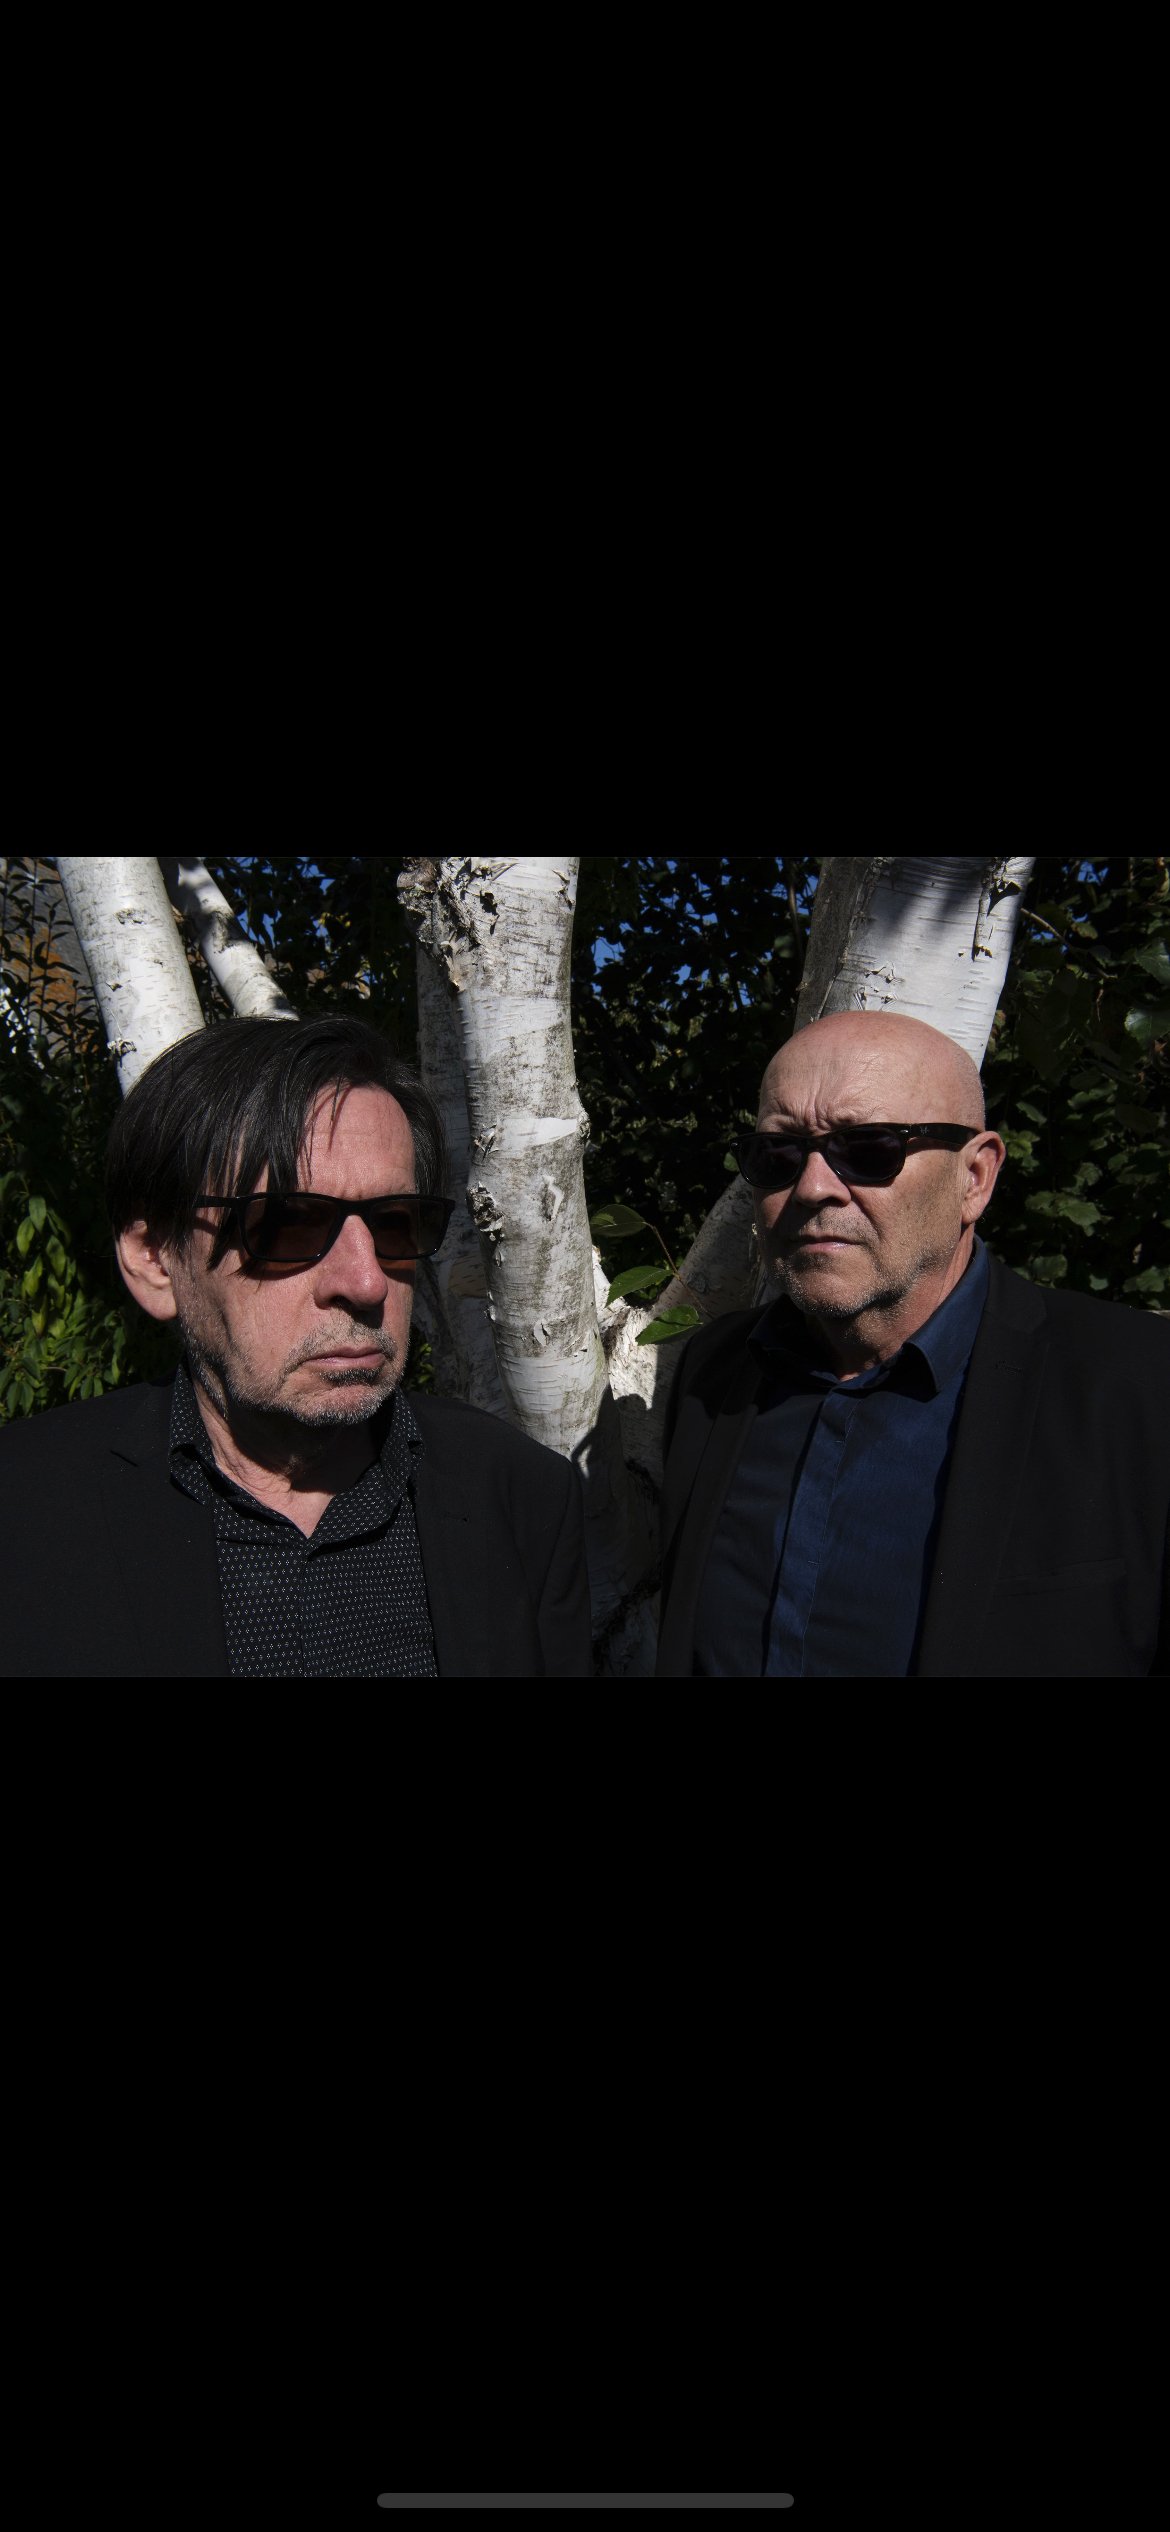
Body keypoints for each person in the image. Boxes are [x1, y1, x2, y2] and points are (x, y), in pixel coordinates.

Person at [0, 1015, 591, 1679]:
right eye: (288, 1225)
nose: (366, 1283)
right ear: (155, 1261)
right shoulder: (24, 1511)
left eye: (396, 1223)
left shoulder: (521, 1495)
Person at [656, 1010, 1169, 1679]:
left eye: (869, 1149)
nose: (812, 1187)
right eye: (778, 1155)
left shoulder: (1140, 1386)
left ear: (974, 1177)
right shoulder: (713, 1373)